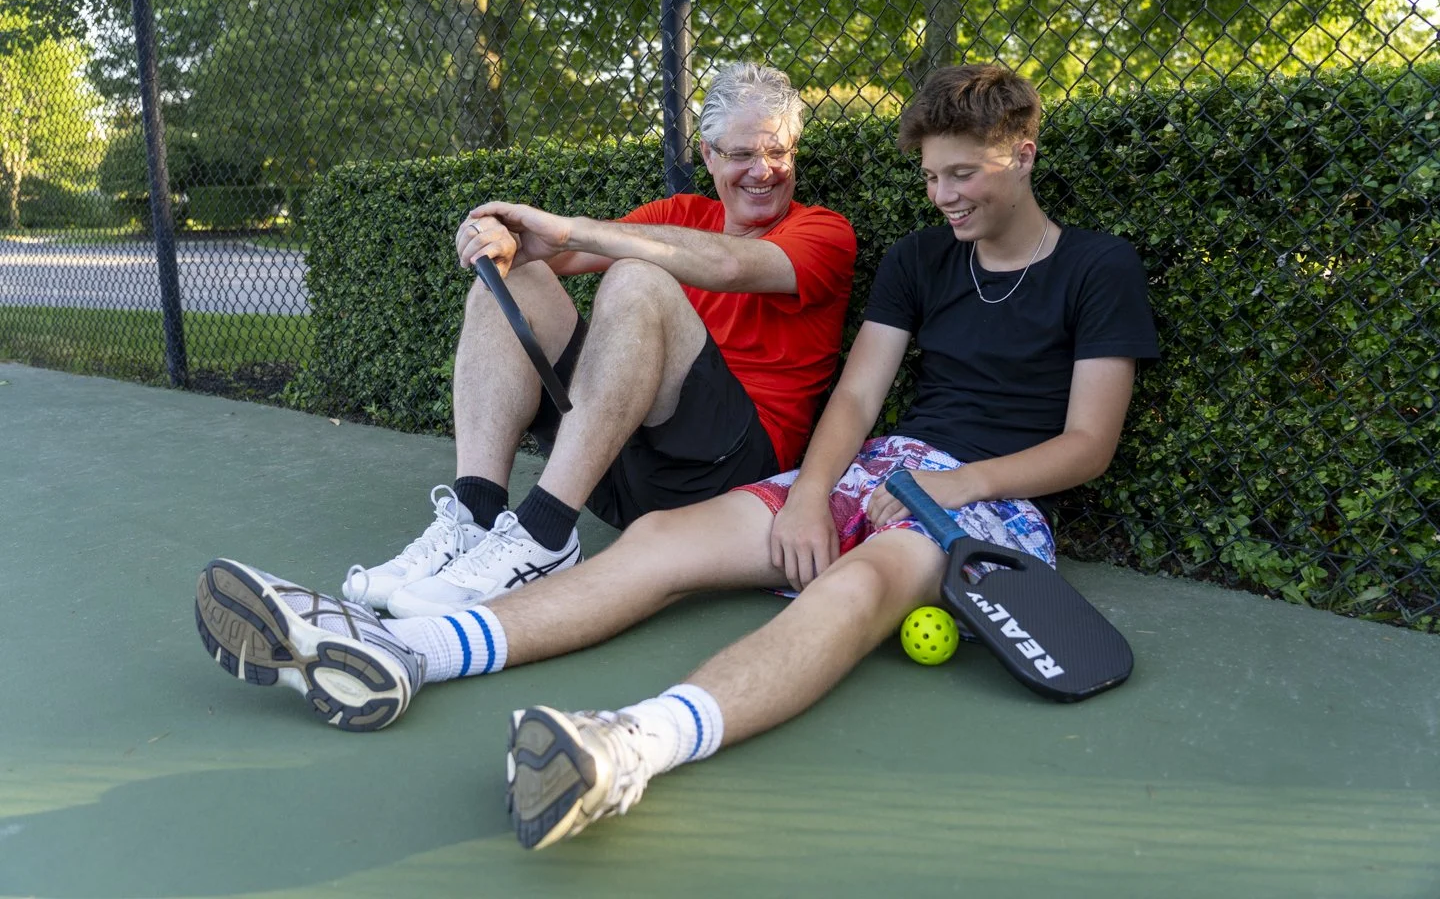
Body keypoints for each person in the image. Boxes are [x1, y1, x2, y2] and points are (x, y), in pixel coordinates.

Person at [194, 63, 1159, 850]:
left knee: (857, 591)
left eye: (966, 175)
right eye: (934, 177)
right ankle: (407, 649)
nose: (945, 196)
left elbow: (1086, 446)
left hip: (989, 505)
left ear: (1022, 153)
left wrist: (954, 484)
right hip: (883, 463)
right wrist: (813, 494)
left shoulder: (1098, 268)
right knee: (655, 539)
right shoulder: (919, 258)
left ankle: (631, 746)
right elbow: (860, 397)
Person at [341, 62, 856, 619]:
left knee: (637, 276)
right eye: (742, 155)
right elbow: (552, 254)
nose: (764, 171)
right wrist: (499, 238)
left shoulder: (825, 232)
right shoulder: (679, 215)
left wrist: (567, 228)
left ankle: (545, 534)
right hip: (620, 466)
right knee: (514, 279)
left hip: (729, 476)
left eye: (778, 153)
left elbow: (730, 265)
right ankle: (476, 514)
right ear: (708, 156)